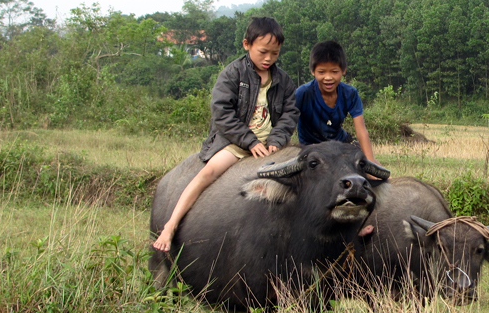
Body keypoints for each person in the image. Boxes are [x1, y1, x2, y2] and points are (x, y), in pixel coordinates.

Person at [152, 16, 298, 252]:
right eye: (263, 52)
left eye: (275, 53)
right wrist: (249, 141)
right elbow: (222, 114)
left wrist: (277, 139)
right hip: (236, 143)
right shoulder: (232, 74)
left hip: (272, 145)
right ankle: (171, 225)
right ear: (246, 44)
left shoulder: (283, 80)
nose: (268, 58)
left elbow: (290, 114)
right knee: (207, 173)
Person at [295, 40, 377, 165]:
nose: (328, 77)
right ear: (313, 71)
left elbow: (361, 130)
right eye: (321, 72)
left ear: (343, 70)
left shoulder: (350, 93)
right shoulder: (303, 93)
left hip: (340, 144)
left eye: (334, 71)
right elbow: (287, 122)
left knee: (370, 170)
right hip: (310, 147)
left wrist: (371, 162)